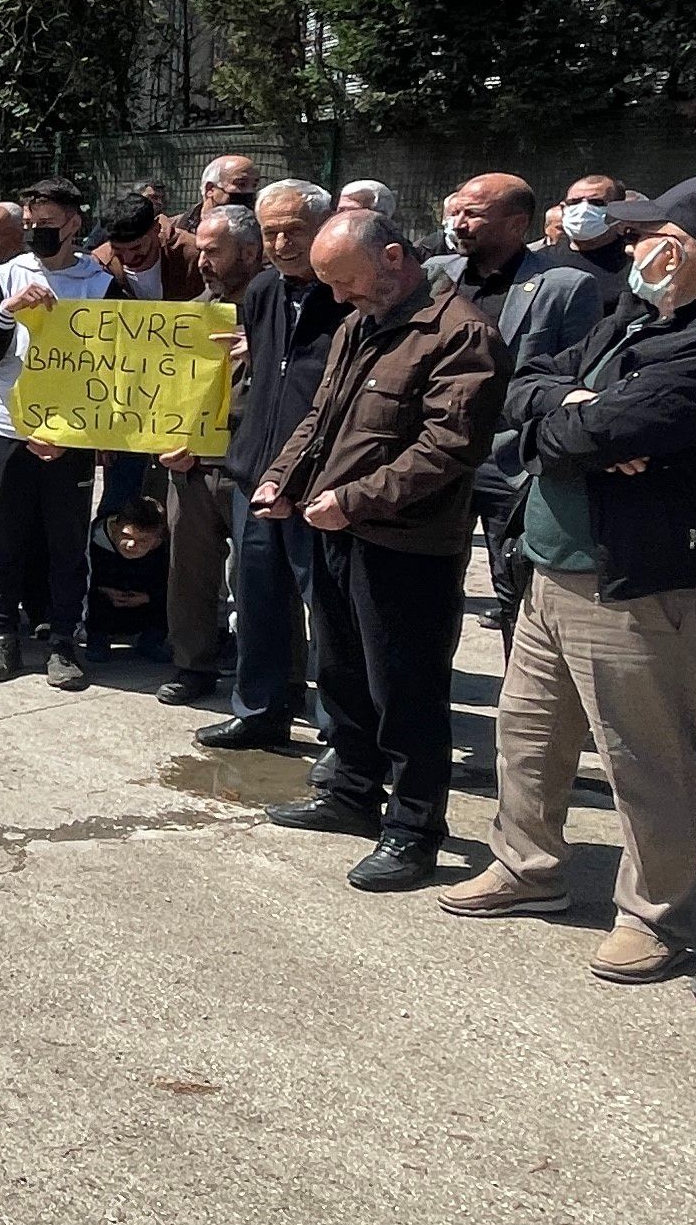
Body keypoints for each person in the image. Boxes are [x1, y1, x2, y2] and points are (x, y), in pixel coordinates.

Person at [448, 180, 696, 979]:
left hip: (641, 578)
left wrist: (575, 422)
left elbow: (607, 428)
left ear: (695, 246)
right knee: (529, 736)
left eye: (650, 235)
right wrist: (572, 410)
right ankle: (528, 868)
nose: (633, 249)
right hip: (553, 566)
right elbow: (525, 385)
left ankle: (655, 915)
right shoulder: (635, 315)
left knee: (646, 756)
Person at [251, 207, 503, 890]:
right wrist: (284, 476)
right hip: (334, 528)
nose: (339, 298)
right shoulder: (362, 322)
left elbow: (447, 448)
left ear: (395, 257)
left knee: (407, 691)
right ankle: (350, 793)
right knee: (342, 672)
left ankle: (414, 830)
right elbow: (321, 416)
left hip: (407, 544)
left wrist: (353, 499)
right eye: (331, 286)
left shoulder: (461, 334)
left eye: (349, 282)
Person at [432, 172, 616, 652]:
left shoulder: (564, 286)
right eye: (457, 211)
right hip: (436, 455)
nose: (459, 222)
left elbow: (566, 379)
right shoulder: (437, 276)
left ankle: (524, 711)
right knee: (426, 592)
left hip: (509, 462)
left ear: (516, 223)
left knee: (516, 591)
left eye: (473, 213)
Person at [196, 182, 343, 754]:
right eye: (272, 232)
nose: (282, 243)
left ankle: (338, 729)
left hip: (321, 480)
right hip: (256, 474)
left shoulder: (347, 294)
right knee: (256, 599)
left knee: (327, 610)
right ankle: (259, 710)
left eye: (295, 231)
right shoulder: (261, 292)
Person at [0, 180, 116, 686]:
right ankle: (2, 636)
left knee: (66, 543)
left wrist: (80, 431)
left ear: (75, 224)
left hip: (69, 437)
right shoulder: (3, 276)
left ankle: (62, 643)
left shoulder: (100, 283)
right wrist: (7, 313)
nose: (37, 234)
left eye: (48, 226)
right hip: (10, 429)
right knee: (2, 536)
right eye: (30, 226)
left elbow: (118, 367)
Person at [150, 204, 261, 705]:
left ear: (250, 253)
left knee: (259, 581)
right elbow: (161, 392)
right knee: (188, 574)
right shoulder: (191, 314)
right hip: (192, 467)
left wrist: (261, 345)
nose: (202, 262)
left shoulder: (282, 309)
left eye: (214, 252)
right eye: (200, 252)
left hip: (256, 471)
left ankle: (271, 676)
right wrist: (164, 445)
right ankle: (192, 665)